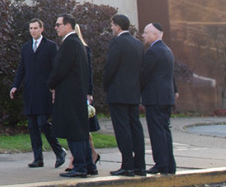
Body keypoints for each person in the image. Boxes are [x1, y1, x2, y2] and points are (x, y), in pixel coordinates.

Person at [10, 19, 66, 169]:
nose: (33, 31)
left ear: (42, 29)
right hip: (30, 92)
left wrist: (54, 87)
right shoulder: (26, 47)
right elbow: (21, 68)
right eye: (30, 28)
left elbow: (56, 68)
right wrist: (15, 85)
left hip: (44, 91)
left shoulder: (50, 46)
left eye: (35, 28)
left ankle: (59, 151)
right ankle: (38, 158)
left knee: (43, 122)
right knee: (32, 126)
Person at [47, 13, 92, 178]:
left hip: (69, 94)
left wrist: (50, 84)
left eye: (58, 24)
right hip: (76, 93)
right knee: (79, 130)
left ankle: (80, 166)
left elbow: (60, 69)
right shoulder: (78, 43)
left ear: (68, 26)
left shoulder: (70, 43)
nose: (56, 28)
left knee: (74, 131)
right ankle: (89, 164)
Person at [103, 13, 146, 176]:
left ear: (118, 26)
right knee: (136, 127)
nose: (112, 28)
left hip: (118, 92)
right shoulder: (137, 43)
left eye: (112, 25)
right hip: (133, 92)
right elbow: (142, 69)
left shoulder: (117, 42)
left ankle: (127, 164)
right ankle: (140, 165)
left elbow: (110, 67)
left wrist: (105, 85)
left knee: (122, 129)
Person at [141, 22, 177, 175]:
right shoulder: (167, 50)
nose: (143, 35)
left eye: (146, 32)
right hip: (166, 98)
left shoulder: (153, 52)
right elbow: (170, 75)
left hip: (155, 98)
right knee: (164, 131)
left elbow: (144, 74)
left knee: (157, 132)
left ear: (155, 35)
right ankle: (169, 164)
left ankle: (161, 164)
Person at [64, 24, 99, 175]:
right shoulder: (77, 48)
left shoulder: (82, 48)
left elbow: (88, 72)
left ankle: (82, 159)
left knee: (80, 129)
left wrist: (89, 92)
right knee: (82, 129)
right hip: (79, 93)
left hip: (81, 94)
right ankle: (87, 159)